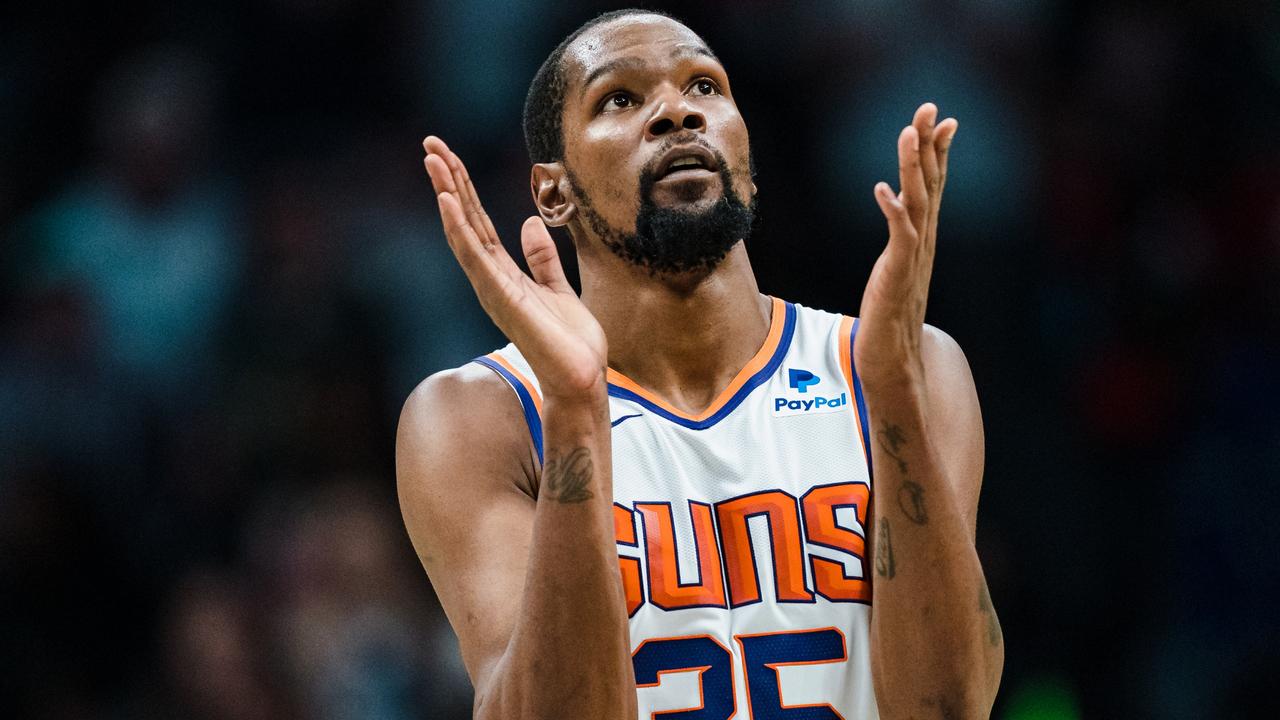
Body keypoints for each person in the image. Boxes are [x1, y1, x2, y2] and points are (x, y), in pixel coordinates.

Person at [397, 9, 1003, 719]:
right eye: (618, 99)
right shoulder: (479, 416)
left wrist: (895, 395)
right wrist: (575, 414)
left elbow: (949, 706)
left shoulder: (906, 368)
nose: (677, 111)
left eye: (705, 87)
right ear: (552, 193)